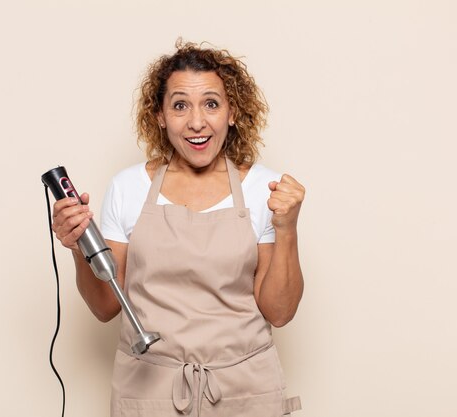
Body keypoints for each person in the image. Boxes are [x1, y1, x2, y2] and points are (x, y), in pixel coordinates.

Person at [52, 40, 305, 417]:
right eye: (180, 105)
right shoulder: (128, 187)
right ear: (159, 115)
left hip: (245, 392)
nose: (197, 122)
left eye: (212, 104)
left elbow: (279, 312)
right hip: (149, 390)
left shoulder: (261, 190)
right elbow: (106, 306)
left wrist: (287, 229)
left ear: (232, 112)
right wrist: (77, 247)